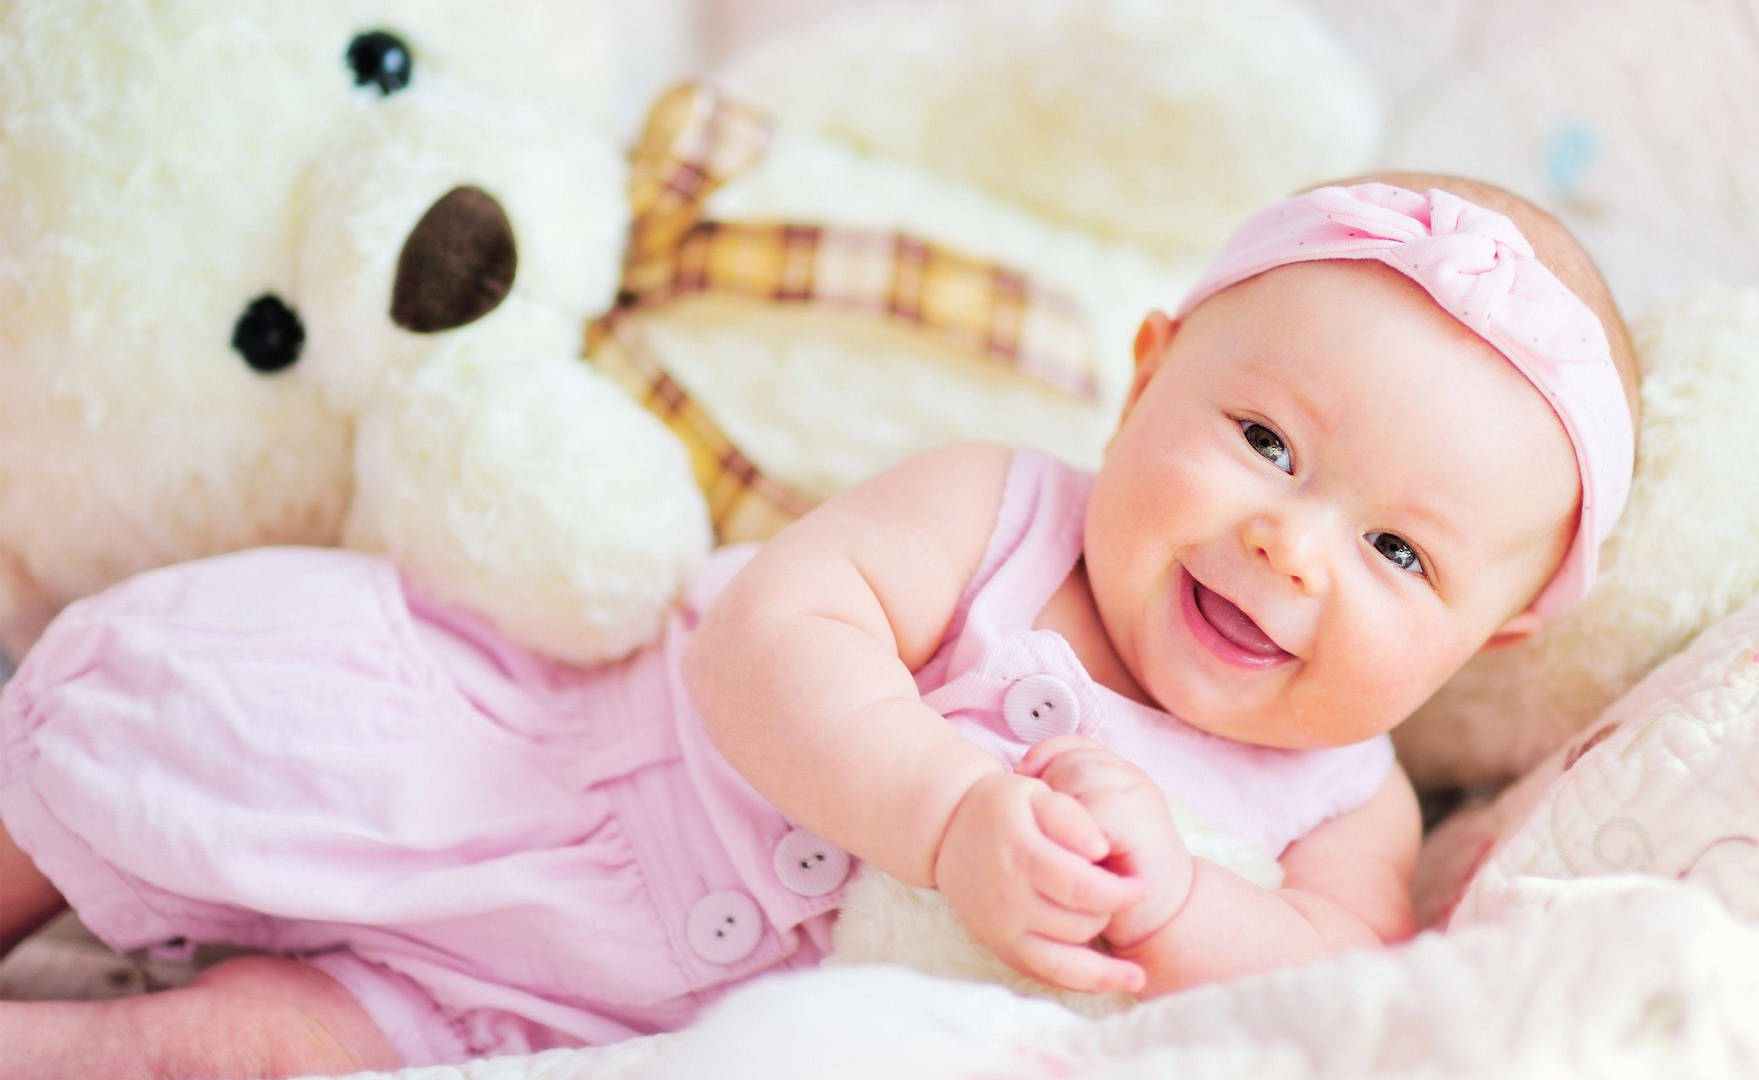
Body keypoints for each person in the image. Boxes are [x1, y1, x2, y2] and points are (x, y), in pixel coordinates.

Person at [0, 171, 1638, 1077]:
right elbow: (769, 640)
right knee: (165, 736)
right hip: (529, 779)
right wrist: (945, 816)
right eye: (1265, 442)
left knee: (240, 1057)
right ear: (1149, 375)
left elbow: (1331, 977)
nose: (1291, 540)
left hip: (586, 1023)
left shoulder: (1351, 796)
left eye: (1403, 555)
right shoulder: (1001, 510)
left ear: (1491, 640)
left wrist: (1179, 896)